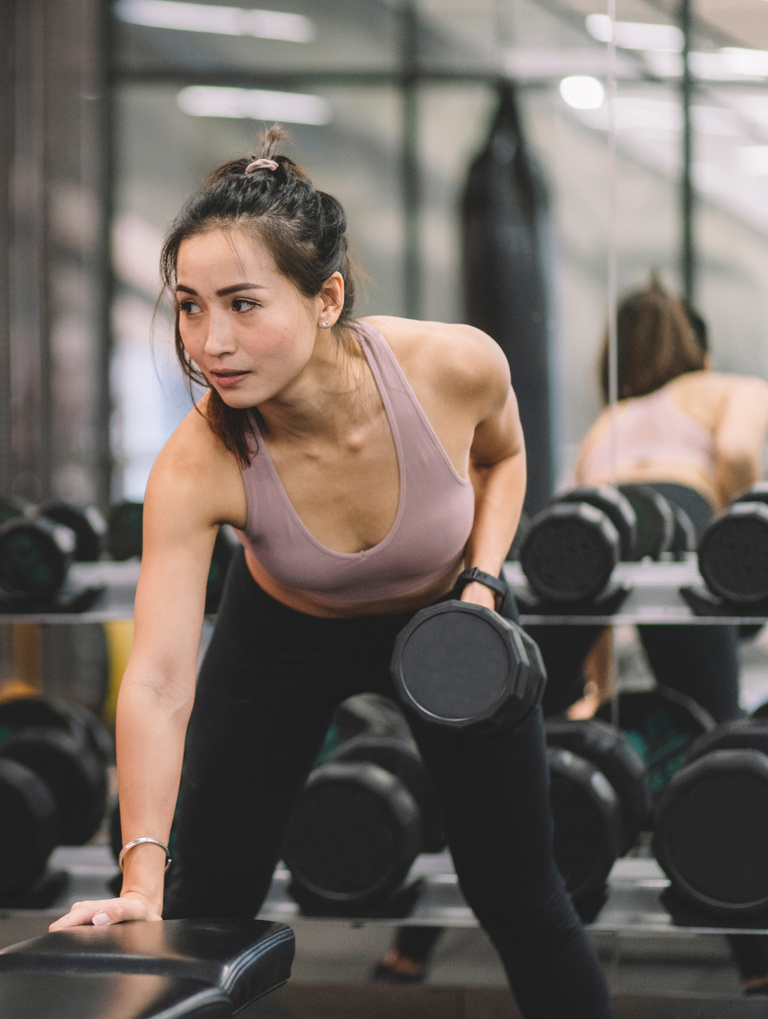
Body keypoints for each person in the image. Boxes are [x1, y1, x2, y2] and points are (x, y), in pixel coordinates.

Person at [47, 128, 613, 1019]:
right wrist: (141, 875)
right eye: (190, 306)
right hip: (279, 639)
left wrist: (483, 584)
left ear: (326, 297)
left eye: (241, 304)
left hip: (443, 627)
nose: (210, 342)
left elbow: (504, 462)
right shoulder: (196, 462)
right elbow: (157, 680)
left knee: (520, 892)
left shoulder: (451, 366)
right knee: (203, 905)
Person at [376, 277, 768, 993]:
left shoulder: (610, 419)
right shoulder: (730, 388)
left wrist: (597, 692)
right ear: (700, 351)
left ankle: (408, 950)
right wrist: (739, 543)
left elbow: (592, 586)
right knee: (721, 742)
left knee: (497, 732)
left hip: (583, 534)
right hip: (681, 527)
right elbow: (741, 454)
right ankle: (757, 967)